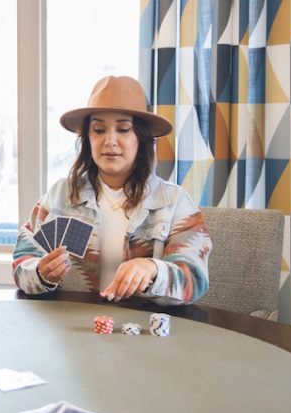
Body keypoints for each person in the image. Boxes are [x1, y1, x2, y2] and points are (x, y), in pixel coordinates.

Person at [12, 75, 211, 305]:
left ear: (141, 137)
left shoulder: (174, 202)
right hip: (71, 330)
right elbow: (22, 262)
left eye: (124, 129)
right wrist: (40, 274)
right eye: (98, 129)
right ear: (87, 137)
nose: (110, 140)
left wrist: (153, 269)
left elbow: (195, 279)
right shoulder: (61, 196)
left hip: (143, 332)